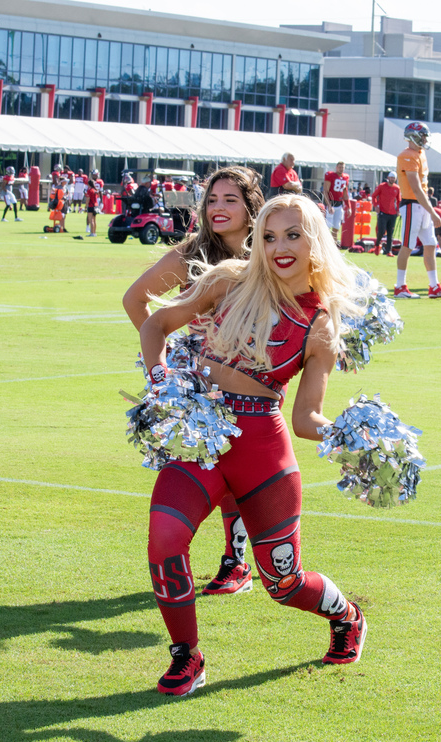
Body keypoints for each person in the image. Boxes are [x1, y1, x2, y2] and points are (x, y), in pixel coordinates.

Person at [139, 194, 368, 696]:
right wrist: (162, 382)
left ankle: (347, 615)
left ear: (314, 242)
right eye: (268, 236)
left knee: (283, 585)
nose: (279, 246)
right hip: (203, 436)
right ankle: (187, 656)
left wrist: (349, 437)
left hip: (262, 450)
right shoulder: (229, 281)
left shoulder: (321, 325)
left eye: (292, 235)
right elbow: (156, 324)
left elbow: (306, 418)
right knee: (164, 541)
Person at [124, 166, 267, 597]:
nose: (218, 208)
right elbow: (136, 300)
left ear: (250, 207)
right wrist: (161, 374)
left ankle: (238, 559)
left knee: (242, 471)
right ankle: (234, 561)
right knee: (211, 464)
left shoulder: (269, 249)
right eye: (212, 200)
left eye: (230, 200)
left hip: (256, 379)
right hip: (202, 383)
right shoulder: (191, 253)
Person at [394, 122, 441, 299]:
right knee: (407, 245)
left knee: (430, 245)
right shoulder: (406, 155)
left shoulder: (420, 154)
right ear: (414, 135)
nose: (425, 139)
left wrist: (429, 210)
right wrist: (433, 211)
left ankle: (434, 286)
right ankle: (400, 286)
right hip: (412, 204)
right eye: (423, 135)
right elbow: (416, 188)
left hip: (422, 204)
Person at [370, 173, 400, 256]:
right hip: (382, 212)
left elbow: (398, 200)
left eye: (394, 178)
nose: (392, 179)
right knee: (381, 231)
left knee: (391, 233)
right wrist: (376, 206)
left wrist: (398, 210)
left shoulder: (397, 188)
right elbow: (373, 196)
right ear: (388, 178)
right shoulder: (382, 186)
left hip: (392, 213)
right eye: (391, 178)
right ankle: (377, 245)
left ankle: (388, 251)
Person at [323, 161, 351, 242]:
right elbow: (325, 191)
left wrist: (349, 207)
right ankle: (325, 245)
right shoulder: (330, 175)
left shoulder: (346, 177)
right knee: (327, 227)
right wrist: (329, 205)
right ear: (336, 167)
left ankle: (334, 246)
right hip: (331, 203)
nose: (341, 169)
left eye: (342, 167)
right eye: (339, 167)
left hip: (339, 205)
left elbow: (345, 194)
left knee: (337, 227)